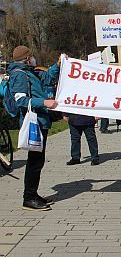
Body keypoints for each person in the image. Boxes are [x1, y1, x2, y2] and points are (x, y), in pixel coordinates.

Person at [9, 45, 60, 211]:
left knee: (37, 160)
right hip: (34, 123)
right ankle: (29, 198)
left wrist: (58, 65)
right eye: (31, 56)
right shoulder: (19, 75)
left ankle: (32, 193)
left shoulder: (30, 72)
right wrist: (44, 102)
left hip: (41, 121)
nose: (33, 58)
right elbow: (21, 100)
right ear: (26, 58)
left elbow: (46, 78)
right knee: (35, 162)